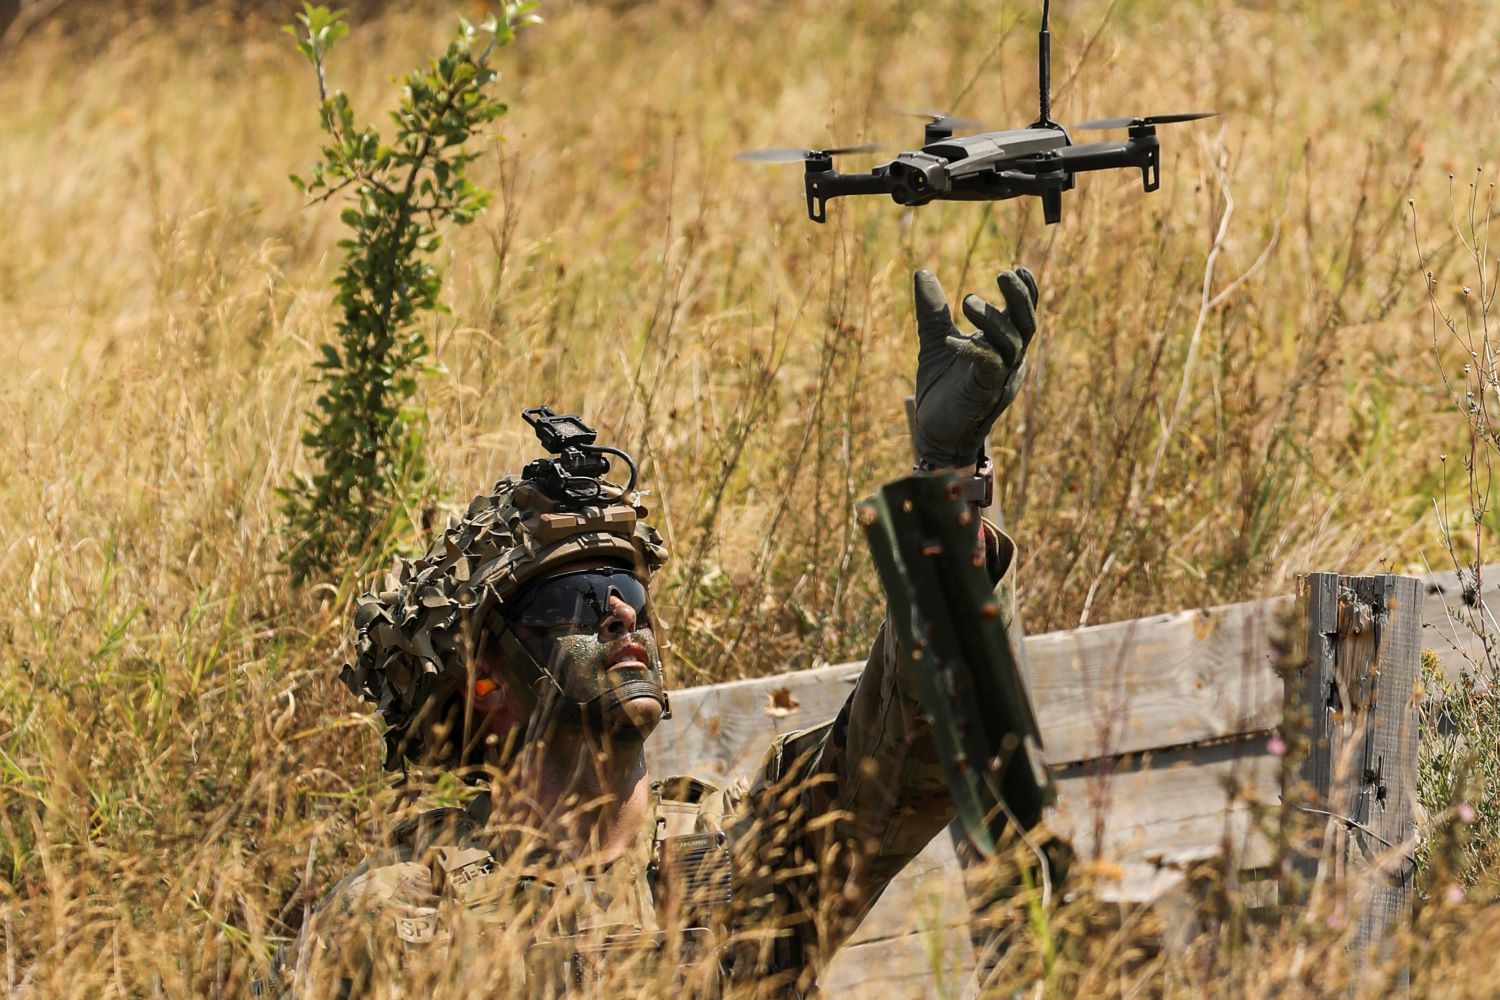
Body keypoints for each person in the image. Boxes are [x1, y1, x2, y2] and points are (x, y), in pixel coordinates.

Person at [261, 266, 1045, 998]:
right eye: (573, 598)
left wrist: (949, 481)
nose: (620, 612)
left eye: (627, 585)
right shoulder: (406, 918)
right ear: (485, 681)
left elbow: (913, 746)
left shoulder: (730, 856)